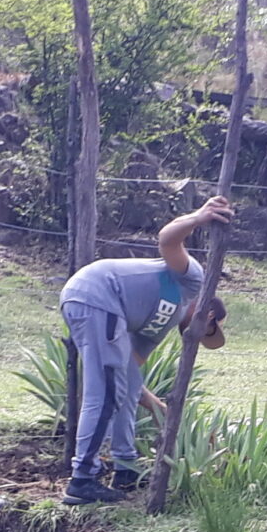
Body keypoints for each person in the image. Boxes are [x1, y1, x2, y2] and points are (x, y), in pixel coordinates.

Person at [55, 197, 234, 505]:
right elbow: (167, 239)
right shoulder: (193, 281)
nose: (198, 336)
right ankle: (82, 479)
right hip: (98, 294)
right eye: (206, 329)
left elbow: (132, 378)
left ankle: (125, 467)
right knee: (106, 392)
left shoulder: (159, 327)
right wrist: (198, 217)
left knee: (122, 389)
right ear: (208, 315)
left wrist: (164, 410)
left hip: (106, 311)